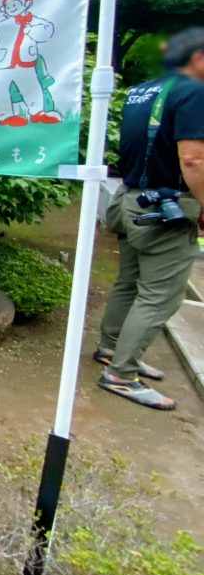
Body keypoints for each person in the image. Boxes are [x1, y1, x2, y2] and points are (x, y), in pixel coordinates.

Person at [95, 27, 204, 411]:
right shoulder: (194, 92)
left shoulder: (144, 91)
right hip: (164, 210)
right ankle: (121, 375)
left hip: (129, 199)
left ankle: (111, 347)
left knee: (128, 283)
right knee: (158, 297)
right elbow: (192, 159)